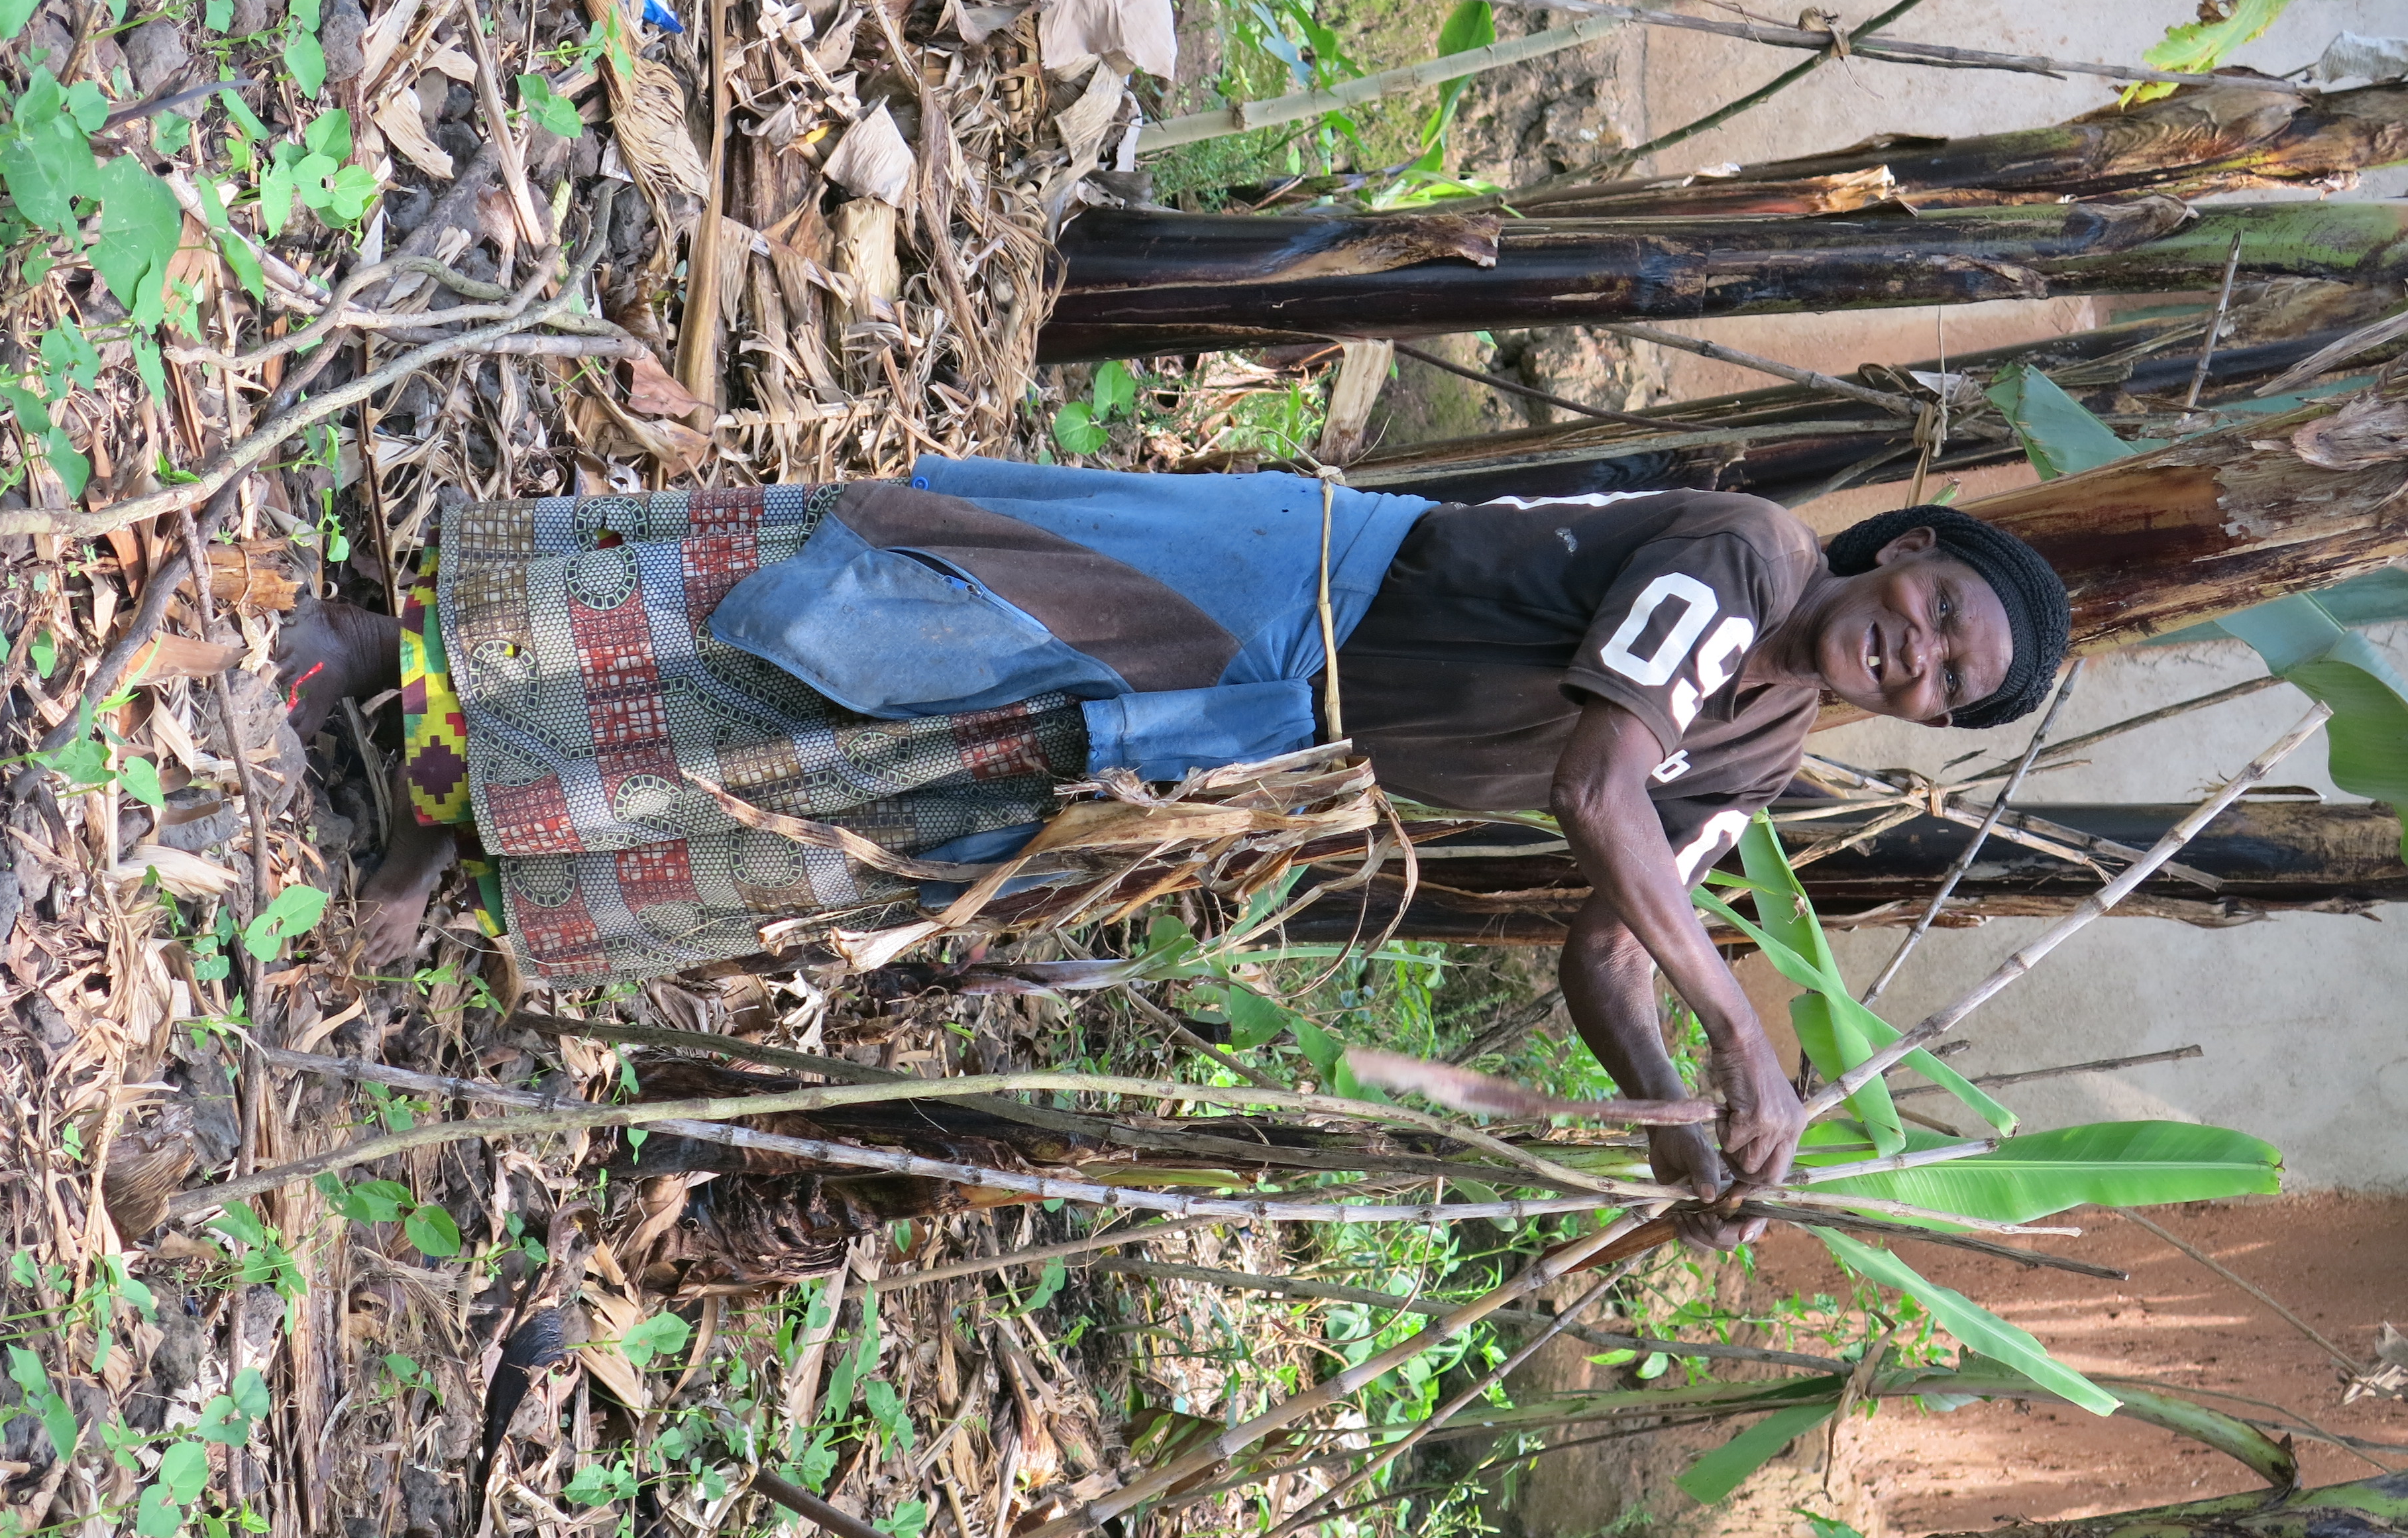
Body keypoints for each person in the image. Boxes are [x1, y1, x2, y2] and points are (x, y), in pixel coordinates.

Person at [279, 466, 2069, 1222]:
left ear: (1923, 718)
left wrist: (1692, 1141)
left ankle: (488, 809)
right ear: (1896, 552)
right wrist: (1755, 1042)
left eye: (1942, 679)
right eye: (1929, 607)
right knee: (886, 618)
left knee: (890, 791)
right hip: (1278, 591)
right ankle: (419, 657)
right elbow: (1603, 792)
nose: (1912, 651)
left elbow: (1609, 940)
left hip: (1267, 739)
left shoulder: (1761, 747)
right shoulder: (1748, 561)